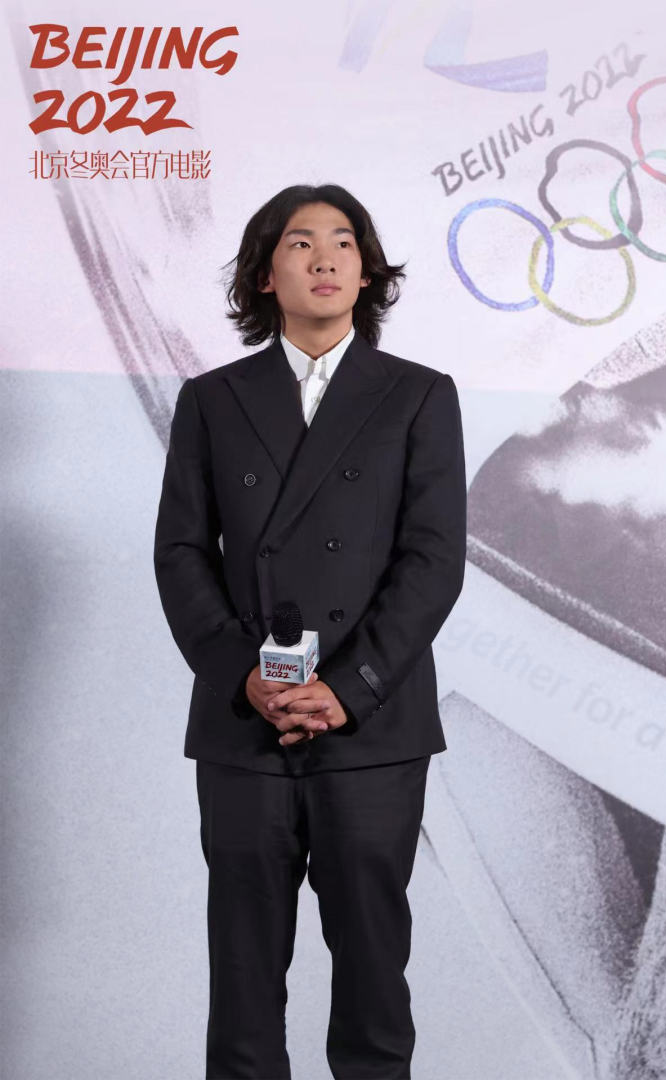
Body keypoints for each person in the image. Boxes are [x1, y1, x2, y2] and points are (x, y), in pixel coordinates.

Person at [153, 183, 467, 1079]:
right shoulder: (212, 399)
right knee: (244, 981)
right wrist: (242, 677)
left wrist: (348, 688)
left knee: (373, 978)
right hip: (245, 725)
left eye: (343, 241)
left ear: (367, 273)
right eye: (299, 242)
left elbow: (433, 560)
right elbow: (181, 552)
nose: (324, 257)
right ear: (264, 275)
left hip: (372, 728)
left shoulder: (418, 396)